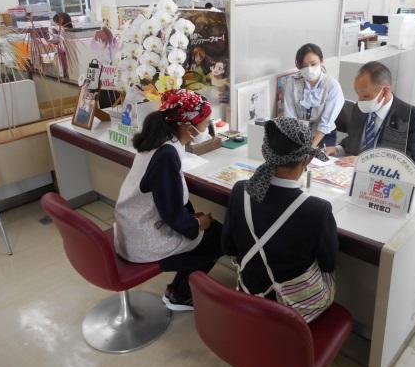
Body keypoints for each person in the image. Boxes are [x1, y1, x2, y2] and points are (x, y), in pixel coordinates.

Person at [114, 89, 223, 311]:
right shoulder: (166, 156)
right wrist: (198, 224)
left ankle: (179, 290)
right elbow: (172, 214)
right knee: (219, 236)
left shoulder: (160, 141)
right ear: (187, 126)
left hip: (132, 228)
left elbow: (170, 202)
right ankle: (179, 295)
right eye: (206, 122)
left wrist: (192, 219)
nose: (207, 128)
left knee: (206, 228)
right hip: (143, 240)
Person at [222, 117, 339, 322]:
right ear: (307, 160)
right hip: (292, 310)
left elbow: (228, 247)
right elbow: (328, 264)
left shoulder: (241, 190)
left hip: (249, 291)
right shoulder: (318, 209)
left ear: (265, 153)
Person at [326, 61, 415, 172]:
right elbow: (354, 139)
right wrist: (337, 149)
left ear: (385, 91)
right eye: (358, 94)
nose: (360, 101)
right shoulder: (359, 108)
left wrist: (365, 161)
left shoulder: (412, 117)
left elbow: (411, 160)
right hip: (351, 173)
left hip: (387, 176)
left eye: (365, 95)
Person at [283, 43, 345, 147]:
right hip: (298, 134)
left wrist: (311, 147)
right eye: (304, 65)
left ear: (321, 61)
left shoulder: (332, 85)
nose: (309, 69)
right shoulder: (292, 83)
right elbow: (290, 117)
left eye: (313, 64)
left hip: (324, 135)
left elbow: (326, 122)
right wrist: (295, 141)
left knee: (315, 161)